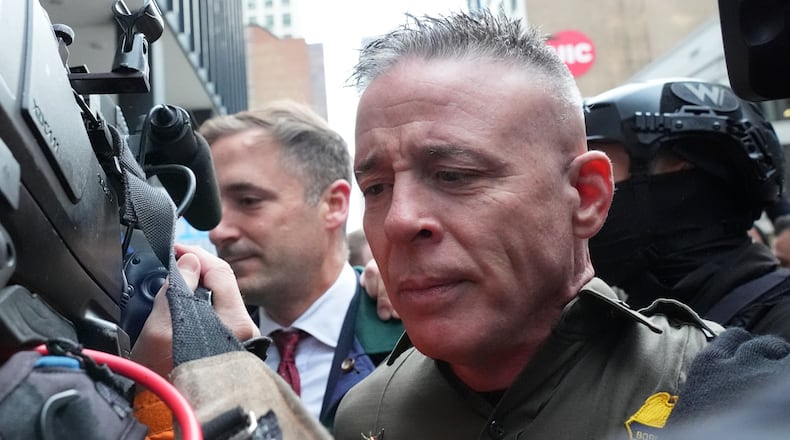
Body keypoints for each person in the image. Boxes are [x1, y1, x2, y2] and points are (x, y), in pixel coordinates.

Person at [332, 11, 720, 440]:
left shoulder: (719, 389)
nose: (399, 220)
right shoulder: (366, 418)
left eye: (454, 174)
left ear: (586, 196)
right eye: (377, 188)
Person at [196, 100, 403, 428]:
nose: (218, 231)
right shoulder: (199, 349)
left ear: (333, 205)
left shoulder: (412, 337)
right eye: (215, 207)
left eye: (249, 201)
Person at [584, 78, 790, 339]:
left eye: (602, 172)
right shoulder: (622, 331)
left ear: (681, 171)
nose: (580, 197)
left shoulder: (779, 330)